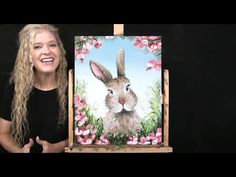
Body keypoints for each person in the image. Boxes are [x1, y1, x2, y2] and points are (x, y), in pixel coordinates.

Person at [0, 24, 68, 153]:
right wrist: (19, 151)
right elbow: (3, 133)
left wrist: (56, 148)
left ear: (60, 50)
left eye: (52, 45)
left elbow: (80, 138)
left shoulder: (75, 86)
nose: (47, 51)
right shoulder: (14, 88)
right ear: (28, 55)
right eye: (37, 47)